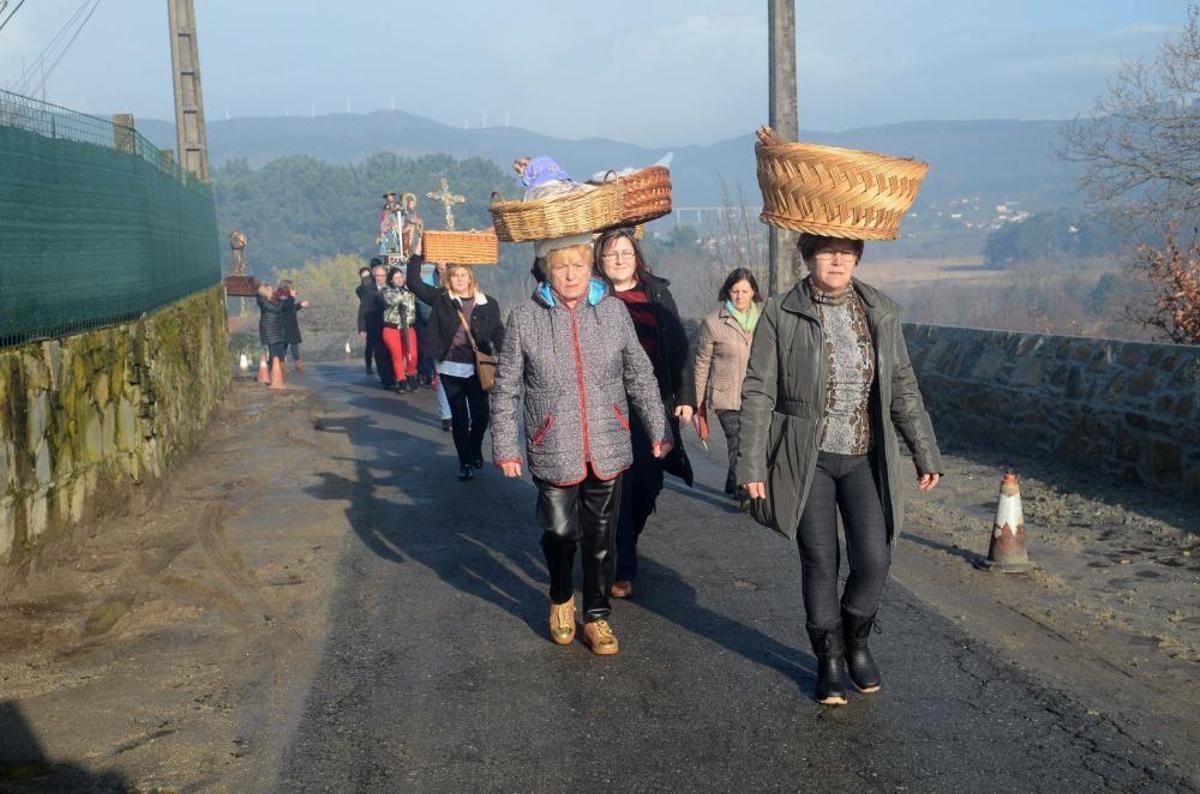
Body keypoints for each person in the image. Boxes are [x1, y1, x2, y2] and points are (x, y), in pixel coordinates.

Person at [737, 230, 944, 706]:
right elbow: (758, 391)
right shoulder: (782, 311)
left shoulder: (879, 311)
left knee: (875, 558)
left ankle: (856, 639)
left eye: (847, 252)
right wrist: (750, 464)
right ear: (808, 257)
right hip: (805, 459)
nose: (837, 260)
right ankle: (828, 658)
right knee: (821, 560)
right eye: (827, 251)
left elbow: (902, 385)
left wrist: (924, 451)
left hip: (864, 457)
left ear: (857, 258)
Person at [490, 238, 671, 655]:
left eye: (578, 265)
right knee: (559, 531)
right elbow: (506, 389)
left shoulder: (612, 312)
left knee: (602, 538)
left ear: (591, 269)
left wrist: (658, 429)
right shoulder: (525, 318)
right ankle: (559, 597)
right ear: (547, 271)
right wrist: (505, 446)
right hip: (552, 441)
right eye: (561, 267)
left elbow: (640, 376)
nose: (570, 274)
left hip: (608, 439)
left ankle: (597, 616)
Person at [594, 228, 693, 600]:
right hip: (607, 406)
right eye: (611, 254)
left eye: (625, 252)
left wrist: (685, 396)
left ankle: (623, 542)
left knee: (649, 482)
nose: (619, 259)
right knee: (618, 484)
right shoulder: (592, 296)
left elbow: (679, 348)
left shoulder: (656, 293)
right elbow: (548, 270)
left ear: (636, 256)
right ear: (599, 261)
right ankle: (621, 567)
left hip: (652, 401)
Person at [406, 251, 503, 481]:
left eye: (463, 275)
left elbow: (498, 331)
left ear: (471, 277)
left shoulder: (487, 303)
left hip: (478, 369)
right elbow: (413, 283)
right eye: (455, 275)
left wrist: (507, 351)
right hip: (450, 368)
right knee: (459, 417)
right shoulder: (442, 299)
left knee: (481, 416)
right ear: (449, 279)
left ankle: (475, 447)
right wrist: (417, 256)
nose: (459, 279)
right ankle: (465, 462)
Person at [689, 268, 761, 506]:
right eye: (735, 291)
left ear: (753, 293)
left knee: (751, 441)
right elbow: (702, 363)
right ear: (727, 292)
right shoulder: (713, 322)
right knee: (738, 441)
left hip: (755, 395)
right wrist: (696, 402)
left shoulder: (765, 320)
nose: (739, 296)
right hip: (725, 397)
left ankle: (734, 480)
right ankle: (743, 492)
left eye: (744, 291)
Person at [358, 261, 395, 389]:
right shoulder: (368, 290)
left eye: (382, 275)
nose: (380, 278)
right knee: (380, 354)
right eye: (377, 275)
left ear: (386, 276)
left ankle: (393, 377)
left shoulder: (391, 288)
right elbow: (363, 309)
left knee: (391, 352)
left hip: (390, 326)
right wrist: (362, 328)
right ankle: (386, 380)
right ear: (374, 276)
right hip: (374, 326)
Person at [381, 267, 419, 393]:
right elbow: (392, 301)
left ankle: (411, 374)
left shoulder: (410, 292)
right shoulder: (387, 291)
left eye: (401, 277)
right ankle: (401, 380)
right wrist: (403, 292)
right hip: (392, 328)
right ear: (391, 280)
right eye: (396, 277)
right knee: (397, 355)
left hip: (408, 327)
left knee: (412, 353)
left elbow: (417, 302)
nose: (399, 280)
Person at [255, 283, 288, 386]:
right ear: (264, 291)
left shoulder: (272, 298)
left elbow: (281, 308)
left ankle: (275, 371)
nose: (271, 290)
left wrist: (282, 298)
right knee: (274, 350)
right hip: (269, 328)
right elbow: (276, 309)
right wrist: (282, 300)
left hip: (277, 327)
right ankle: (273, 376)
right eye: (269, 289)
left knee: (279, 349)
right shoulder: (262, 300)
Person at [278, 280, 310, 372]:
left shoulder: (286, 298)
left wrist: (300, 305)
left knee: (293, 347)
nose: (293, 290)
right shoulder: (282, 297)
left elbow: (291, 309)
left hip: (291, 326)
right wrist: (292, 297)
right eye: (292, 288)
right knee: (284, 347)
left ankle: (296, 365)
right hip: (286, 326)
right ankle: (282, 366)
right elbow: (286, 307)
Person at [356, 262, 377, 377]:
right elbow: (363, 309)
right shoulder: (361, 290)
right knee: (370, 345)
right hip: (369, 320)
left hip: (378, 318)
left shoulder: (376, 286)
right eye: (364, 277)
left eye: (368, 276)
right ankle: (368, 365)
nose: (366, 279)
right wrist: (362, 327)